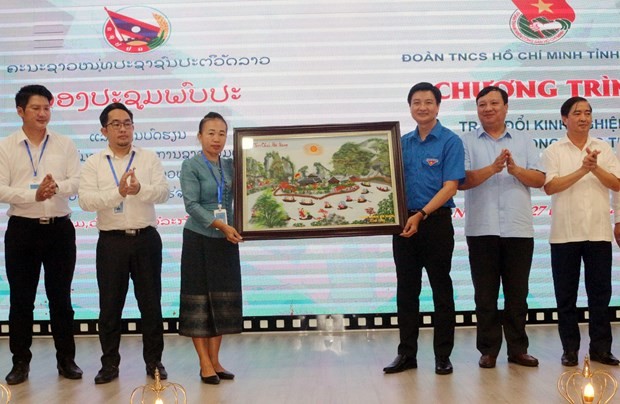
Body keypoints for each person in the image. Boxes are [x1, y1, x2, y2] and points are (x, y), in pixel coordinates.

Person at [78, 102, 170, 384]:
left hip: (146, 240)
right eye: (116, 124)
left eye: (127, 123)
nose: (122, 129)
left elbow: (164, 193)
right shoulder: (94, 162)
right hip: (111, 242)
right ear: (104, 130)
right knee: (109, 306)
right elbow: (85, 201)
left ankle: (154, 363)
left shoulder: (148, 158)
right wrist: (117, 194)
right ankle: (109, 365)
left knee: (151, 305)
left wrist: (140, 189)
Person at [0, 85, 83, 385]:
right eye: (35, 108)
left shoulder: (64, 144)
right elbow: (1, 188)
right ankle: (20, 362)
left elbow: (77, 182)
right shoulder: (6, 146)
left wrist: (56, 188)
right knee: (21, 300)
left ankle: (66, 360)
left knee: (60, 298)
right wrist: (33, 194)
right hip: (22, 229)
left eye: (46, 108)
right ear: (20, 111)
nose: (42, 113)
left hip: (59, 230)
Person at [459, 86, 544, 369]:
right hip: (481, 228)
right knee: (485, 295)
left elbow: (539, 179)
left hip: (518, 229)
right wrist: (493, 169)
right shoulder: (466, 141)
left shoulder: (524, 139)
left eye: (494, 103)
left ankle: (518, 349)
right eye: (482, 104)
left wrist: (515, 170)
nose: (488, 108)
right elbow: (463, 180)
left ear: (506, 107)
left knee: (517, 294)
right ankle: (488, 350)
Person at [383, 82, 465, 375]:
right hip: (403, 224)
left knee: (441, 290)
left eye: (428, 102)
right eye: (416, 102)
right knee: (406, 291)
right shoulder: (400, 143)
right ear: (410, 107)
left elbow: (451, 186)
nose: (422, 107)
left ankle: (443, 356)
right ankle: (407, 354)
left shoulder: (450, 141)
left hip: (436, 223)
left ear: (438, 106)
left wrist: (422, 214)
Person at [541, 97, 620, 367]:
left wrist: (594, 167)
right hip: (564, 234)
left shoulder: (603, 148)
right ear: (565, 119)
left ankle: (601, 349)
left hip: (598, 233)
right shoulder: (554, 150)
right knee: (566, 296)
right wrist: (582, 169)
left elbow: (617, 184)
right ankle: (570, 350)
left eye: (588, 113)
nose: (583, 118)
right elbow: (550, 186)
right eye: (577, 113)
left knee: (600, 295)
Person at [179, 112, 243, 385]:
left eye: (221, 133)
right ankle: (204, 363)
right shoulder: (190, 165)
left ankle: (216, 360)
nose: (216, 139)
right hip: (199, 240)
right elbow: (191, 206)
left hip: (225, 241)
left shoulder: (230, 165)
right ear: (199, 135)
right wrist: (220, 225)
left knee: (222, 303)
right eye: (210, 133)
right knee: (199, 304)